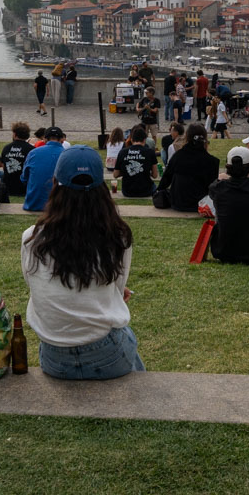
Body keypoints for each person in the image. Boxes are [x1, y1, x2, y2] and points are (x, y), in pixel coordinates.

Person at [21, 146, 144, 380]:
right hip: (107, 353)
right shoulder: (118, 236)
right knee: (126, 338)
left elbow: (34, 283)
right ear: (101, 188)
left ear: (55, 183)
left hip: (54, 358)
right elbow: (118, 285)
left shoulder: (31, 237)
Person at [207, 147, 249, 263]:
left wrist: (222, 179)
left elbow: (213, 188)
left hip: (224, 251)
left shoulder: (218, 188)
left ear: (228, 167)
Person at [156, 122, 219, 212]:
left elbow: (166, 179)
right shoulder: (212, 161)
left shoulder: (178, 156)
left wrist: (159, 192)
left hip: (178, 202)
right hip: (201, 202)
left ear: (187, 137)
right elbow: (212, 187)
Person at [21, 126, 67, 212]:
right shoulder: (67, 154)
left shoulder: (33, 152)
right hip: (58, 206)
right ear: (62, 140)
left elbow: (24, 178)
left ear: (45, 139)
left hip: (33, 203)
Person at [113, 125, 159, 198]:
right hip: (146, 190)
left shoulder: (122, 152)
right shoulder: (150, 152)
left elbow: (115, 174)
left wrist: (127, 171)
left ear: (131, 139)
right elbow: (155, 175)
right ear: (144, 140)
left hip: (127, 190)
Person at [0, 122, 32, 196]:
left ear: (14, 134)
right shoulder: (32, 149)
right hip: (24, 187)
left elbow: (3, 166)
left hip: (8, 187)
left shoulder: (6, 148)